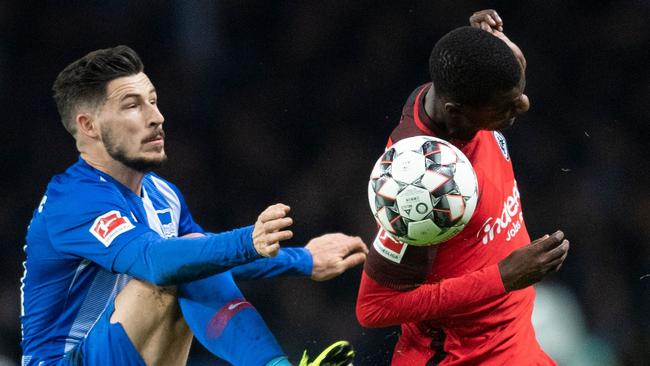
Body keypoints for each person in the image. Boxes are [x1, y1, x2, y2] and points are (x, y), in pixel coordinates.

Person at [20, 45, 367, 366]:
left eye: (153, 101)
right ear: (89, 126)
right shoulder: (73, 200)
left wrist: (304, 259)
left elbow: (209, 261)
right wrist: (249, 240)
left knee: (192, 260)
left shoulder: (162, 194)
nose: (157, 117)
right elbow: (156, 263)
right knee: (174, 267)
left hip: (124, 349)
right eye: (132, 105)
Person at [356, 10, 570, 365]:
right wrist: (501, 277)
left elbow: (478, 71)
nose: (524, 105)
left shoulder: (457, 97)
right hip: (464, 357)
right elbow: (374, 308)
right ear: (457, 112)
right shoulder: (418, 184)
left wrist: (489, 48)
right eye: (506, 107)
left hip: (517, 345)